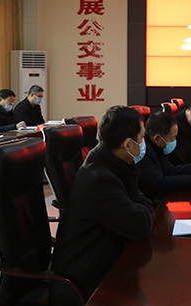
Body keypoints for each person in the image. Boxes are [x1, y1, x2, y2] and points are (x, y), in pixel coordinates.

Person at [51, 106, 154, 305]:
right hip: (87, 277)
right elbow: (142, 225)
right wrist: (142, 206)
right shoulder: (100, 179)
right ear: (127, 144)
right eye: (142, 138)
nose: (144, 143)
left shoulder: (112, 164)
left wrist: (142, 205)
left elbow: (142, 202)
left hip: (105, 260)